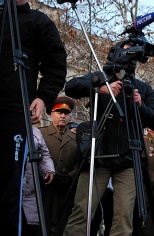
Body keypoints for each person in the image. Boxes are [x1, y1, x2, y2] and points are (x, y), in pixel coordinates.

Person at [63, 40, 154, 236]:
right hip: (99, 156)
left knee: (124, 217)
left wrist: (140, 105)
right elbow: (71, 86)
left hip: (128, 159)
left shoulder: (143, 88)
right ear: (116, 53)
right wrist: (99, 88)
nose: (132, 57)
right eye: (128, 52)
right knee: (83, 211)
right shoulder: (101, 77)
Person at [0, 0, 66, 234]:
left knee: (9, 186)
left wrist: (43, 97)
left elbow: (56, 64)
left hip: (14, 110)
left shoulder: (38, 21)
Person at [40, 96, 78, 236]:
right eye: (59, 112)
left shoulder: (75, 138)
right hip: (44, 188)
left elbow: (80, 162)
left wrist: (70, 176)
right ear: (51, 114)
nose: (63, 116)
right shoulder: (40, 134)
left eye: (66, 113)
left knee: (63, 225)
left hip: (66, 190)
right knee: (43, 223)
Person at [22, 127, 55, 236]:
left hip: (30, 189)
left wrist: (48, 169)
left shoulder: (35, 131)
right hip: (11, 188)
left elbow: (43, 154)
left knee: (31, 227)